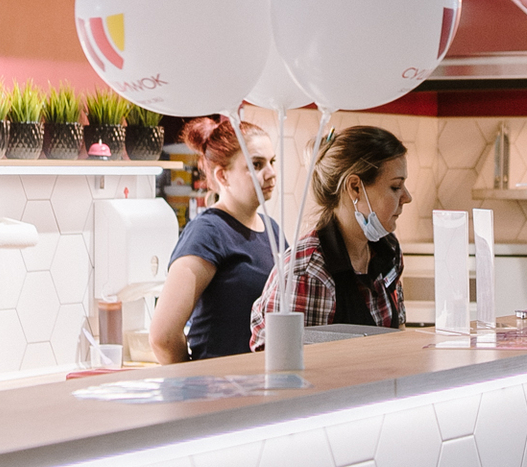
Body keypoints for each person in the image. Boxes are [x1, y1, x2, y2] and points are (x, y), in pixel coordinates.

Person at [249, 126, 410, 347]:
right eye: (396, 186)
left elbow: (399, 337)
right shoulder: (307, 273)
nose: (407, 197)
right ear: (355, 187)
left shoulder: (388, 251)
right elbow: (287, 363)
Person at [149, 116, 280, 363]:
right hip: (219, 384)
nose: (271, 173)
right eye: (257, 165)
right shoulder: (208, 233)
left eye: (272, 162)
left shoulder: (272, 230)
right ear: (223, 176)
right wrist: (195, 379)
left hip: (263, 381)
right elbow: (162, 337)